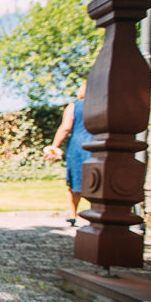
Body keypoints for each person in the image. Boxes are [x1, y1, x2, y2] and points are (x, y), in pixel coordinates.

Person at [43, 82, 93, 226]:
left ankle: (72, 215)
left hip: (77, 146)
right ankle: (95, 213)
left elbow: (65, 128)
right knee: (95, 179)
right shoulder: (101, 107)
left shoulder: (74, 107)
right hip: (95, 143)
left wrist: (54, 146)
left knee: (75, 181)